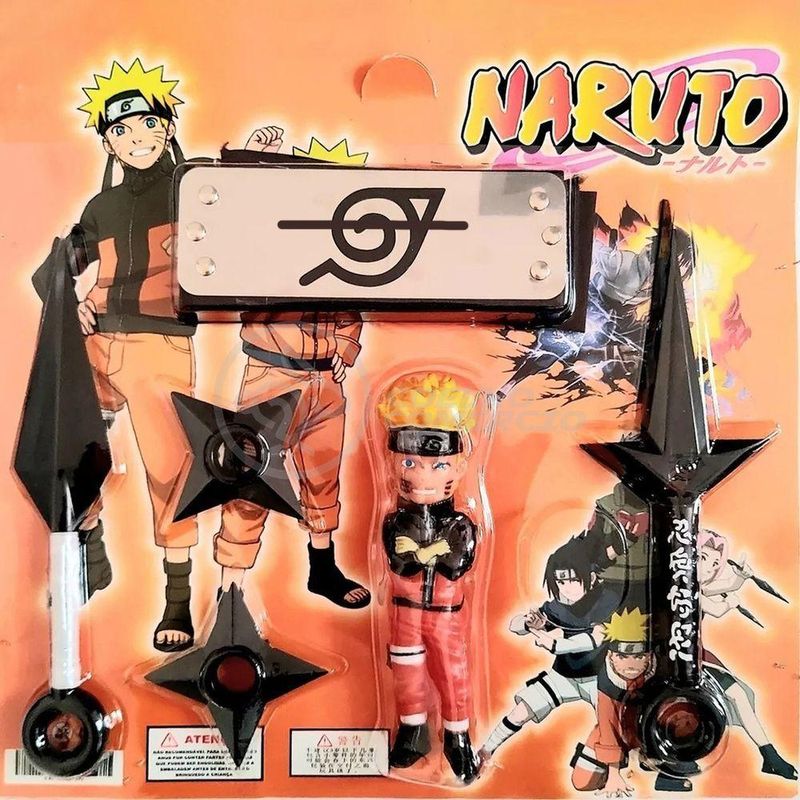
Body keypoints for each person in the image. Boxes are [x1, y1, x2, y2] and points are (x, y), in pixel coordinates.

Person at [61, 59, 282, 651]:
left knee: (170, 470)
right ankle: (90, 552)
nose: (137, 138)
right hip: (96, 342)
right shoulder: (100, 207)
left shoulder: (192, 186)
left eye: (148, 125)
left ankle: (177, 598)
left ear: (166, 127)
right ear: (107, 141)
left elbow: (242, 208)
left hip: (160, 343)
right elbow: (58, 267)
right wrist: (68, 303)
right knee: (71, 450)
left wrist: (256, 158)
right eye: (122, 130)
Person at [378, 372, 481, 783]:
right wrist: (430, 553)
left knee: (451, 671)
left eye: (438, 466)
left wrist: (425, 553)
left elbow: (456, 564)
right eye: (409, 463)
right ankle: (412, 730)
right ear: (394, 462)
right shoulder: (395, 521)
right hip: (404, 610)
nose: (422, 478)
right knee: (406, 670)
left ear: (458, 465)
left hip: (445, 613)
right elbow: (401, 563)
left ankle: (457, 736)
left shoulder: (460, 524)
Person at [479, 536, 619, 763]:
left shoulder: (607, 599)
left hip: (598, 680)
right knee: (522, 710)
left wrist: (555, 644)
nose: (566, 588)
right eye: (561, 582)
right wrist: (529, 623)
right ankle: (484, 752)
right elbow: (515, 625)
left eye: (572, 580)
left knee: (611, 725)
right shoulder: (557, 606)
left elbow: (595, 639)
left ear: (590, 576)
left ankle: (609, 768)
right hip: (562, 676)